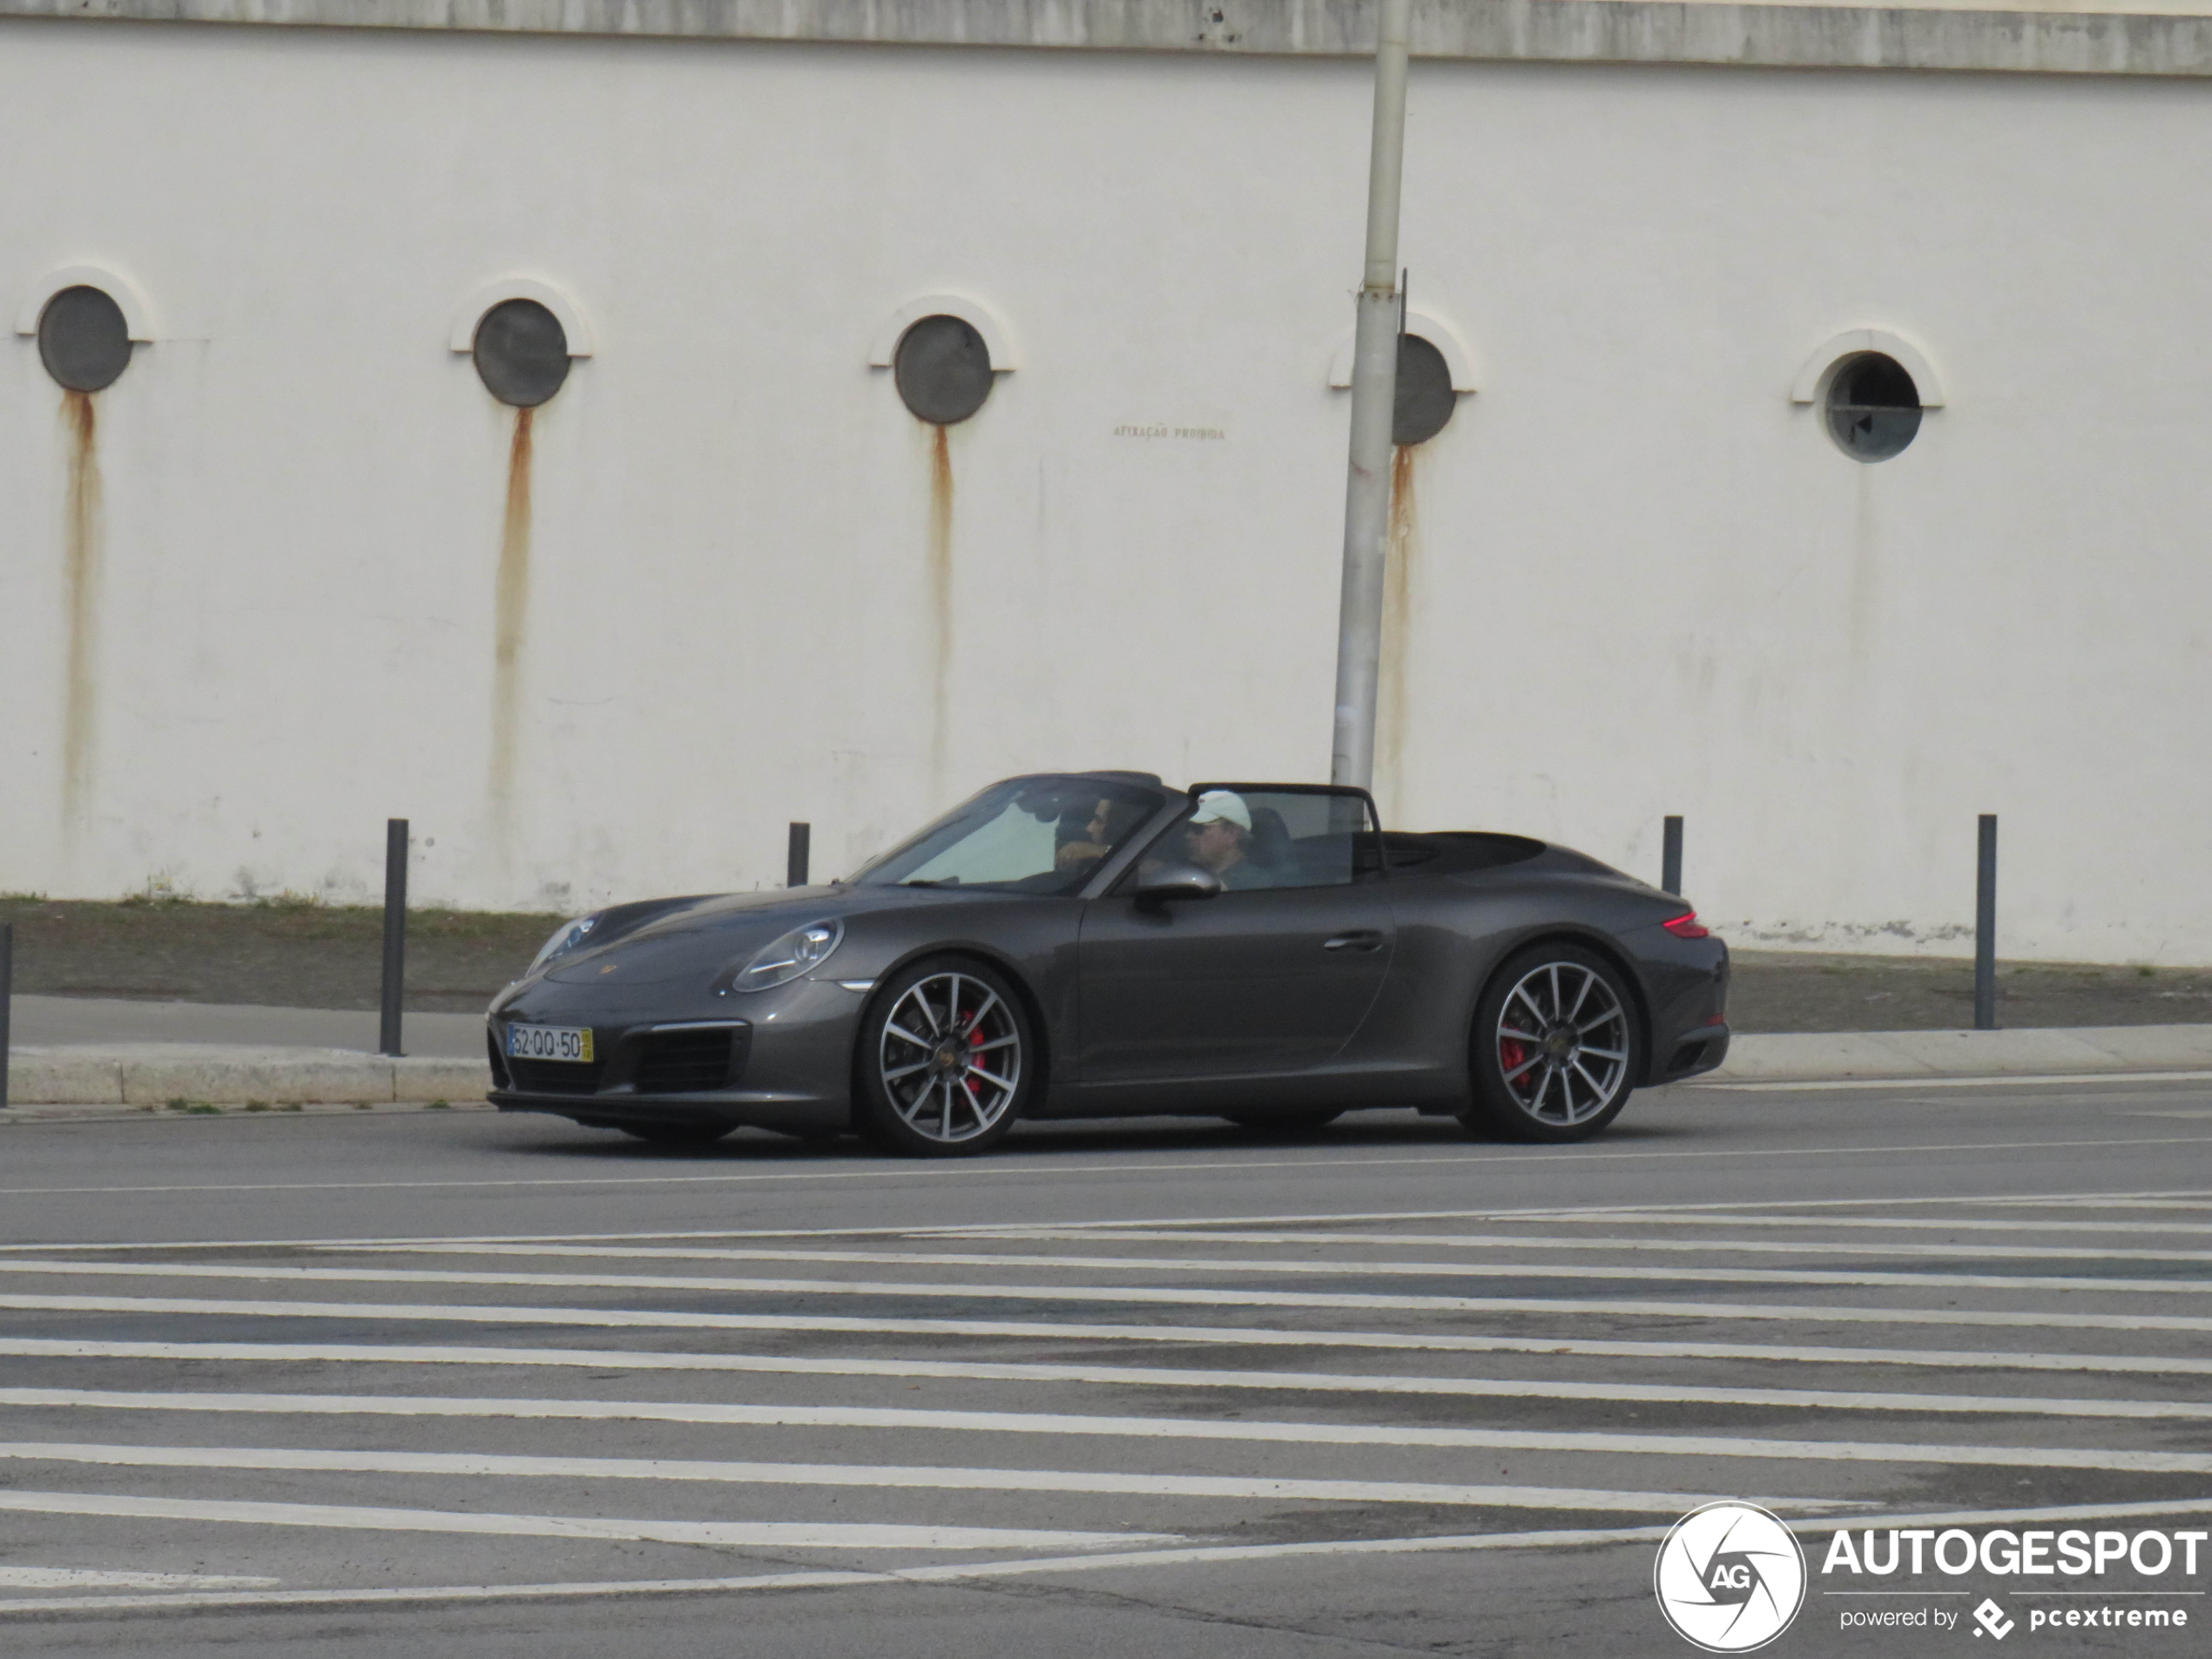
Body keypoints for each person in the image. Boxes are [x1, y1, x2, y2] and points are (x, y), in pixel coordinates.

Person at [1182, 790, 1272, 889]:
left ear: (1230, 833)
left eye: (1198, 828)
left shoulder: (1254, 885)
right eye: (1187, 827)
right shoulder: (1190, 874)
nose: (1188, 836)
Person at [1054, 795, 1144, 876]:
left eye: (1099, 821)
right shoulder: (1087, 862)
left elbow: (1150, 866)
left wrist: (1100, 851)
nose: (1089, 828)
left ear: (1117, 827)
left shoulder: (1143, 864)